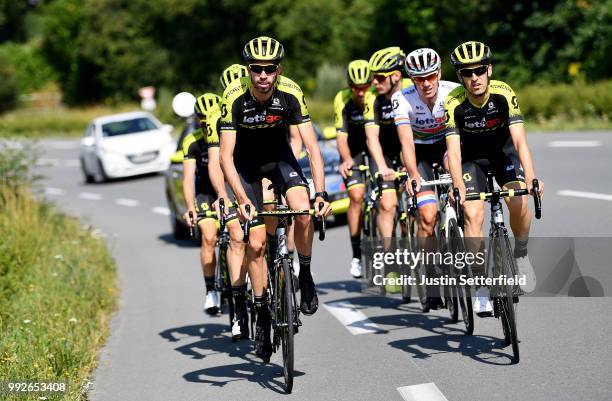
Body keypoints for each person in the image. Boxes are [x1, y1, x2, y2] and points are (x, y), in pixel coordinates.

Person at [219, 36, 332, 361]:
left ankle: (306, 275)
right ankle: (263, 314)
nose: (263, 76)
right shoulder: (234, 96)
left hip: (280, 159)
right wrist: (241, 198)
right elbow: (226, 157)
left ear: (278, 69)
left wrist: (321, 192)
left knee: (303, 210)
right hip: (245, 168)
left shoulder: (292, 93)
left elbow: (312, 148)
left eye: (270, 69)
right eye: (257, 69)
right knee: (255, 243)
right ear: (248, 70)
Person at [443, 41, 544, 315]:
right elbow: (452, 151)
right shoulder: (453, 102)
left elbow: (520, 141)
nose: (474, 78)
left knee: (519, 200)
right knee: (473, 212)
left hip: (502, 154)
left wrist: (532, 179)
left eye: (479, 71)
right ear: (459, 76)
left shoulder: (503, 93)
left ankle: (521, 255)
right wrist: (457, 185)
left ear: (489, 69)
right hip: (470, 160)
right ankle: (481, 285)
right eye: (467, 73)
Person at [392, 48, 460, 309]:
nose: (426, 83)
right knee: (428, 216)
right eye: (419, 79)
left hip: (445, 146)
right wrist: (412, 175)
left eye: (431, 76)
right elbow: (406, 143)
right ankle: (431, 276)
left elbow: (458, 141)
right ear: (412, 79)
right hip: (418, 151)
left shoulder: (453, 91)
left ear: (439, 74)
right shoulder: (402, 98)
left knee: (461, 191)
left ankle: (459, 229)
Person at [181, 93, 225, 317]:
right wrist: (190, 207)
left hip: (229, 190)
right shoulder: (193, 142)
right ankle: (211, 291)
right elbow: (188, 179)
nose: (207, 123)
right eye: (202, 119)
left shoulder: (230, 134)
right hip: (206, 194)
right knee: (209, 236)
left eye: (211, 118)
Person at [364, 46, 412, 241]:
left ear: (396, 76)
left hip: (407, 148)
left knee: (417, 206)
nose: (375, 82)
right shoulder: (372, 96)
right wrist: (382, 167)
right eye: (374, 76)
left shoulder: (412, 88)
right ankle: (391, 261)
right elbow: (371, 137)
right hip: (383, 154)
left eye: (381, 77)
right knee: (388, 204)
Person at [334, 59, 373, 278]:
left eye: (365, 86)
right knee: (356, 196)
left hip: (378, 146)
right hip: (354, 149)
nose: (361, 92)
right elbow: (341, 136)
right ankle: (357, 254)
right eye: (356, 88)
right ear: (350, 87)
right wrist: (346, 159)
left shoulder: (377, 95)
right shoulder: (342, 99)